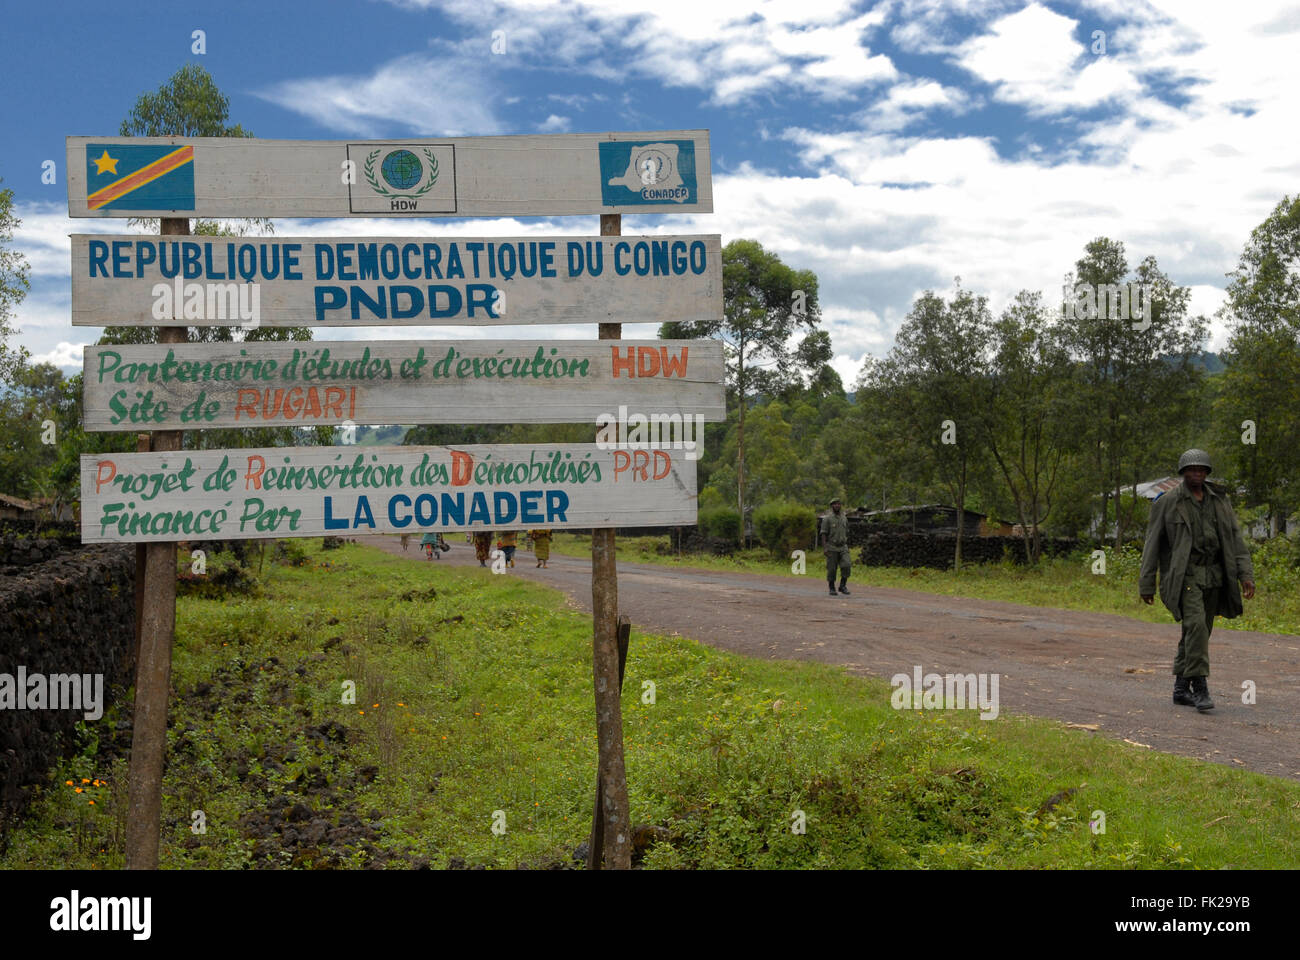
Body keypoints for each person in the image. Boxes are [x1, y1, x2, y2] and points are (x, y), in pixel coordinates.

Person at [1139, 449, 1255, 713]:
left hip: (1214, 575)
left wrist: (1245, 574)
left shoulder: (1219, 500)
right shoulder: (1167, 502)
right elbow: (1152, 544)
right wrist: (1146, 583)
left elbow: (1235, 540)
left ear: (1207, 473)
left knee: (1199, 631)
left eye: (1201, 470)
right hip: (1185, 576)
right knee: (1197, 629)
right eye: (1191, 470)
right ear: (1183, 473)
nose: (1197, 474)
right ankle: (1199, 688)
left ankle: (1180, 689)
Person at [820, 495, 851, 596]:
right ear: (832, 506)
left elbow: (846, 532)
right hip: (832, 546)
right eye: (835, 504)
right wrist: (825, 548)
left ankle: (842, 586)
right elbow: (823, 534)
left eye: (839, 504)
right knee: (832, 568)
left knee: (846, 565)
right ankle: (832, 587)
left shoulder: (844, 518)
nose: (837, 506)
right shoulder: (827, 519)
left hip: (843, 546)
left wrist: (846, 542)